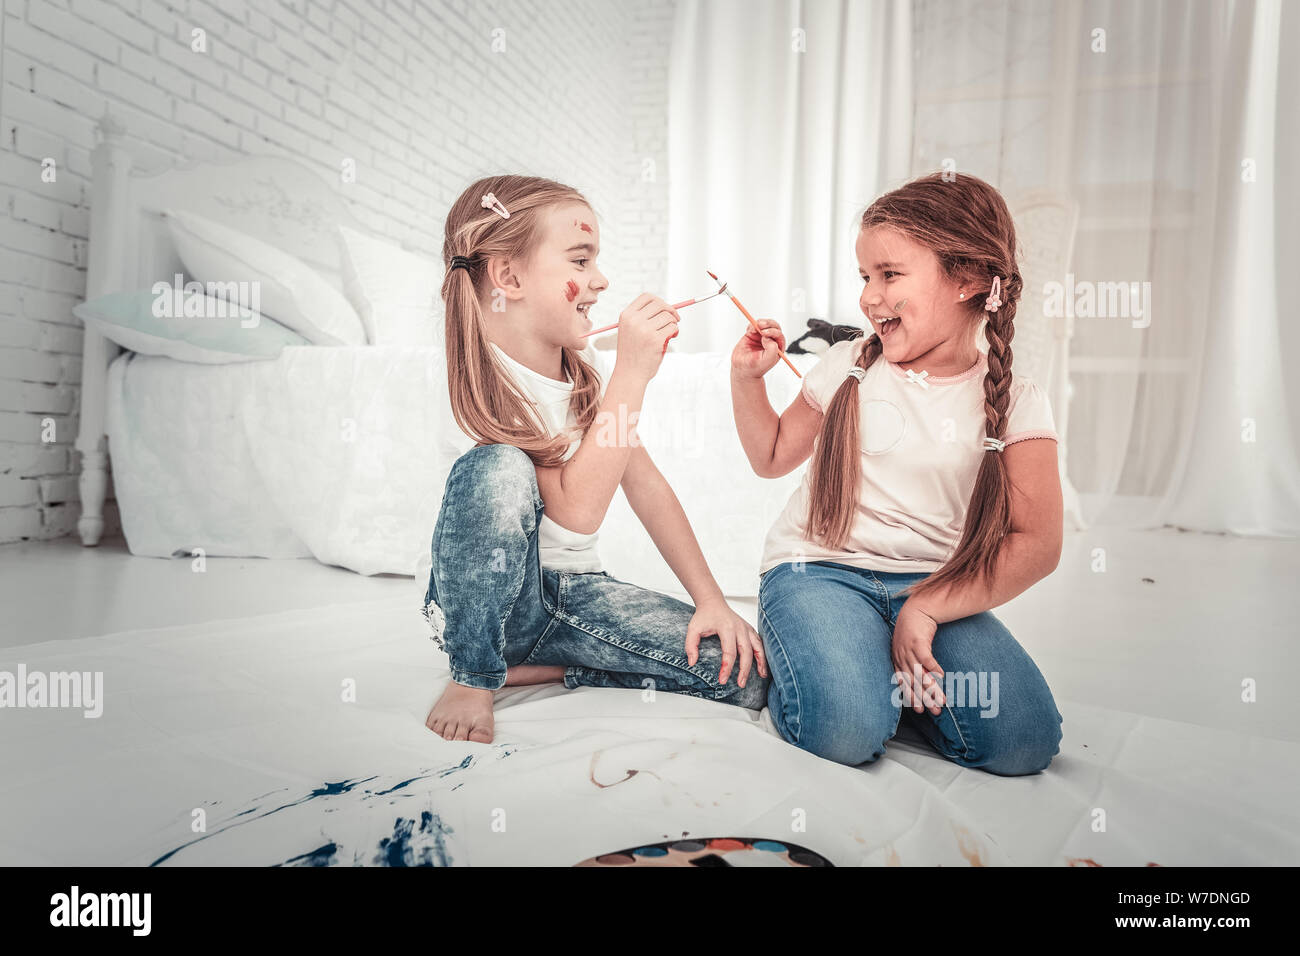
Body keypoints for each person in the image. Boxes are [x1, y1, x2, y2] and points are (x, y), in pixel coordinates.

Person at [731, 172, 1064, 775]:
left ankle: (870, 674)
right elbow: (773, 454)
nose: (868, 297)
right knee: (844, 733)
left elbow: (1037, 544)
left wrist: (929, 607)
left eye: (889, 275)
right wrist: (747, 379)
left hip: (932, 589)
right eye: (865, 277)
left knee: (1022, 740)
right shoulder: (847, 365)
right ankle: (847, 677)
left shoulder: (1017, 400)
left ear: (966, 280)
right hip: (820, 575)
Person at [423, 176, 769, 743]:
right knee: (501, 469)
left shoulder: (588, 378)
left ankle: (542, 671)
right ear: (509, 278)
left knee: (744, 675)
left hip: (570, 596)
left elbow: (648, 486)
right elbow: (574, 514)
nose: (600, 281)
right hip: (483, 609)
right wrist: (633, 375)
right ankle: (473, 675)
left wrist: (711, 601)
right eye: (581, 261)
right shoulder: (470, 385)